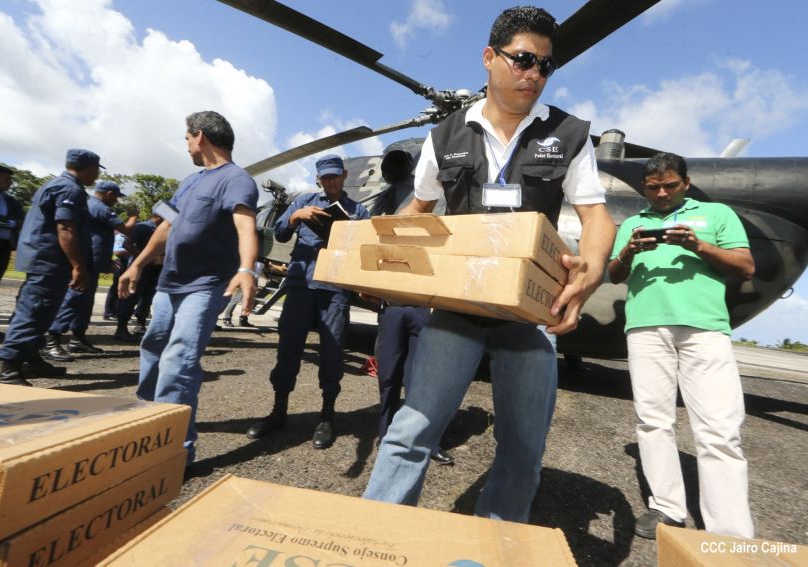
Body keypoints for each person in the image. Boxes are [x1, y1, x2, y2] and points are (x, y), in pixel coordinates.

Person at [362, 6, 615, 523]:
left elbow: (597, 217)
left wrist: (588, 272)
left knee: (522, 451)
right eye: (523, 60)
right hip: (456, 311)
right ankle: (376, 538)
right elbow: (418, 210)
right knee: (410, 433)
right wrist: (378, 257)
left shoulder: (568, 133)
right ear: (489, 58)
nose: (534, 75)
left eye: (545, 66)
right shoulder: (446, 136)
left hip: (528, 318)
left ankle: (495, 544)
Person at [607, 152, 755, 539]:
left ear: (686, 184)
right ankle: (666, 507)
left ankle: (731, 531)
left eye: (670, 186)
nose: (661, 193)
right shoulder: (634, 223)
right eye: (653, 187)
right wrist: (628, 251)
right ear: (644, 188)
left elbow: (745, 266)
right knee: (653, 420)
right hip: (645, 328)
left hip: (704, 329)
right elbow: (613, 273)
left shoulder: (717, 214)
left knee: (719, 429)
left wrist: (697, 245)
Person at [119, 110, 258, 464]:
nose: (186, 145)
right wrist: (136, 264)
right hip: (169, 283)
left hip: (204, 285)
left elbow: (246, 227)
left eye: (186, 138)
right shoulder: (190, 181)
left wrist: (246, 268)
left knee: (178, 361)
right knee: (153, 348)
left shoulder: (237, 179)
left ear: (200, 136)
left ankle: (172, 454)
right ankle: (145, 422)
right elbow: (165, 228)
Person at [246, 154, 370, 449]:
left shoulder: (359, 211)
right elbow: (279, 232)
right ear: (318, 179)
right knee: (288, 349)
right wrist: (294, 217)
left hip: (334, 290)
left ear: (344, 176)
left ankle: (327, 416)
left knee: (332, 353)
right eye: (325, 177)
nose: (330, 181)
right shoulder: (303, 202)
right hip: (300, 286)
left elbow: (364, 249)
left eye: (335, 176)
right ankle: (278, 412)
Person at [0, 149, 99, 386]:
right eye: (95, 170)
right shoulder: (69, 189)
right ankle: (9, 368)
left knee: (41, 312)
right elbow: (66, 228)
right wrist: (78, 266)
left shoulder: (54, 185)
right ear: (90, 168)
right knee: (34, 311)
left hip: (45, 259)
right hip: (49, 260)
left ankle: (31, 358)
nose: (95, 176)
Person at [44, 181, 138, 358]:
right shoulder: (100, 207)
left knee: (85, 302)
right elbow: (125, 229)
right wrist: (133, 216)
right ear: (109, 193)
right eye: (116, 197)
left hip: (92, 261)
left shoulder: (91, 205)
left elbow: (97, 237)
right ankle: (52, 340)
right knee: (75, 299)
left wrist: (105, 260)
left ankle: (78, 339)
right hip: (87, 261)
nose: (116, 201)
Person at [375, 303, 454, 465]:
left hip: (424, 309)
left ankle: (426, 441)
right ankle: (386, 435)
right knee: (388, 377)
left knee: (420, 381)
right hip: (392, 307)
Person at [115, 213, 164, 342]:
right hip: (140, 269)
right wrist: (145, 258)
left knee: (148, 297)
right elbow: (127, 244)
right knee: (131, 297)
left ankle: (140, 325)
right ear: (159, 216)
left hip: (155, 269)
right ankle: (121, 329)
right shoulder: (143, 227)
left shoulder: (162, 228)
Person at [0, 164, 26, 283]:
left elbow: (22, 221)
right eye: (7, 179)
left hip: (3, 247)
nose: (10, 183)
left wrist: (7, 222)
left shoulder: (11, 202)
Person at [221, 260, 265, 327]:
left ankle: (243, 320)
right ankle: (227, 318)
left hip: (254, 278)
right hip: (247, 277)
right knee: (236, 299)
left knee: (247, 300)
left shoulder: (262, 258)